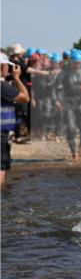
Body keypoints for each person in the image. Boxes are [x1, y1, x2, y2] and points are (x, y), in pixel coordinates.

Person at [54, 51, 81, 161]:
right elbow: (53, 89)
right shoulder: (64, 74)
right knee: (70, 128)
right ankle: (74, 153)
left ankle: (80, 147)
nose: (77, 65)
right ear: (71, 62)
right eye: (75, 63)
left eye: (79, 63)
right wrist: (57, 101)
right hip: (68, 104)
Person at [1, 52, 30, 187]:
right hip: (1, 135)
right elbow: (25, 98)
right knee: (1, 171)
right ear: (3, 67)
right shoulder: (3, 87)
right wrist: (17, 79)